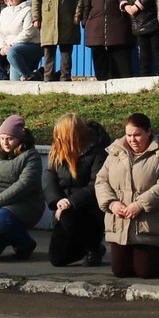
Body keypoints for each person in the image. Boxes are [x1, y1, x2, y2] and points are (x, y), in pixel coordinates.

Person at [97, 113, 159, 278]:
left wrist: (140, 205)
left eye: (137, 135)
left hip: (148, 226)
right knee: (120, 271)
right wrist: (112, 204)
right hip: (120, 223)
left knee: (146, 272)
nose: (132, 140)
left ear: (148, 132)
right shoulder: (115, 154)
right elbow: (101, 181)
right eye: (128, 135)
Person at [0, 114, 45, 259]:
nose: (5, 143)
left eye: (10, 139)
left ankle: (25, 244)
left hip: (24, 204)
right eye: (2, 138)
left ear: (20, 139)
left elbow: (24, 185)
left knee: (2, 219)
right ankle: (6, 235)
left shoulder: (31, 156)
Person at [44, 114, 109, 266]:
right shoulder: (57, 152)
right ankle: (85, 248)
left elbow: (96, 185)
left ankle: (93, 247)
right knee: (57, 259)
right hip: (64, 208)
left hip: (89, 209)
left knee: (68, 215)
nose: (57, 138)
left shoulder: (97, 153)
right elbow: (49, 179)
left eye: (61, 134)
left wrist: (70, 202)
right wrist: (58, 201)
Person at [79, 0, 134, 81]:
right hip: (96, 29)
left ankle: (122, 87)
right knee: (100, 62)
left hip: (119, 28)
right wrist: (85, 21)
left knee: (121, 65)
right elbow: (87, 1)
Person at [34, 0, 85, 81]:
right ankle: (48, 77)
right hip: (48, 21)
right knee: (48, 51)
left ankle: (65, 77)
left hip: (67, 21)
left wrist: (77, 15)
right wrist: (36, 18)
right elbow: (37, 0)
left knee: (66, 51)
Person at [0, 0, 40, 81]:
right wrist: (2, 47)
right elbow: (0, 31)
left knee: (12, 52)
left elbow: (28, 33)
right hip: (10, 46)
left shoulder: (29, 10)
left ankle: (29, 75)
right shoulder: (5, 11)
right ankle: (1, 75)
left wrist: (10, 45)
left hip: (30, 45)